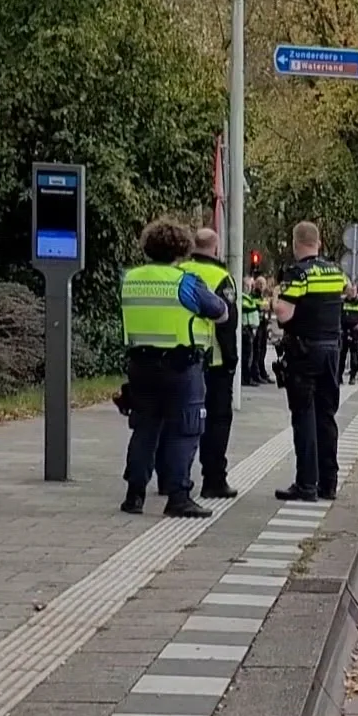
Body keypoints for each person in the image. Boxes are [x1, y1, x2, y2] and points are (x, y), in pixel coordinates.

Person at [119, 219, 228, 518]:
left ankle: (134, 495)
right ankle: (178, 495)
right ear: (181, 249)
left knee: (144, 428)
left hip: (140, 364)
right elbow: (220, 312)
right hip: (181, 367)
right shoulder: (185, 282)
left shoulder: (130, 278)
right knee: (185, 428)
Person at [274, 221, 347, 502]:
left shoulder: (297, 273)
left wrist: (273, 302)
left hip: (305, 353)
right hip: (332, 352)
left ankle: (306, 484)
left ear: (295, 243)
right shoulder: (334, 272)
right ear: (319, 242)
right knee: (326, 417)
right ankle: (328, 483)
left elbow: (284, 314)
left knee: (304, 417)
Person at [181, 228, 241, 499]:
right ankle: (214, 479)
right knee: (217, 421)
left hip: (180, 358)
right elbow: (227, 324)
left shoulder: (179, 271)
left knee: (179, 419)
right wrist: (231, 359)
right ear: (216, 248)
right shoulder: (221, 277)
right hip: (213, 362)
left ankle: (174, 476)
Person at [240, 276, 269, 386]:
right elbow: (257, 306)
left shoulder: (256, 297)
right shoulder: (247, 298)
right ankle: (249, 377)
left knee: (258, 351)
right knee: (250, 354)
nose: (250, 287)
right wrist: (263, 305)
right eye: (248, 285)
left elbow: (265, 306)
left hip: (258, 326)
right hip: (248, 328)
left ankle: (258, 373)